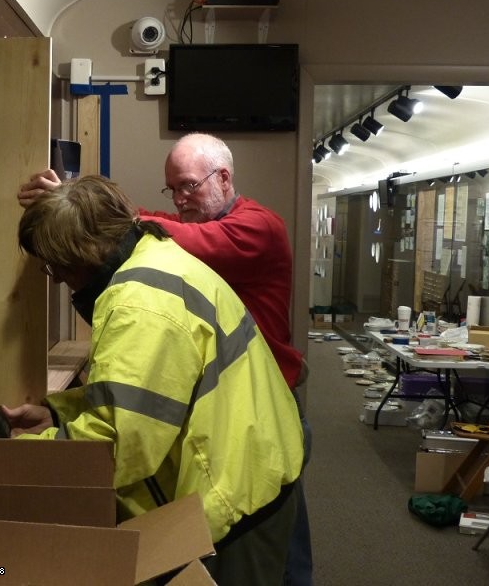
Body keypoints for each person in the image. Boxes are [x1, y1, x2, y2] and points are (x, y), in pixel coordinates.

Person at [18, 133, 313, 585]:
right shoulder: (153, 256)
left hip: (237, 493)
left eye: (54, 266)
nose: (56, 280)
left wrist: (15, 455)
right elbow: (140, 398)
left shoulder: (142, 303)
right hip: (249, 454)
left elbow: (117, 449)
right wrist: (58, 409)